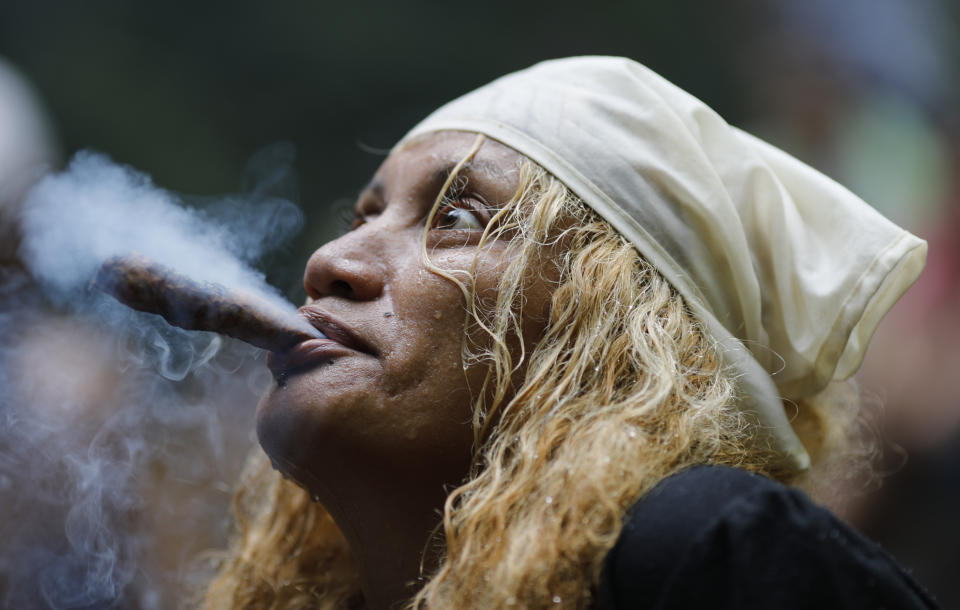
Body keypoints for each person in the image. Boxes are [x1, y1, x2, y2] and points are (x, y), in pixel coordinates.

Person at [203, 57, 936, 609]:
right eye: (365, 216)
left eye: (458, 220)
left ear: (613, 337)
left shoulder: (704, 555)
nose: (330, 261)